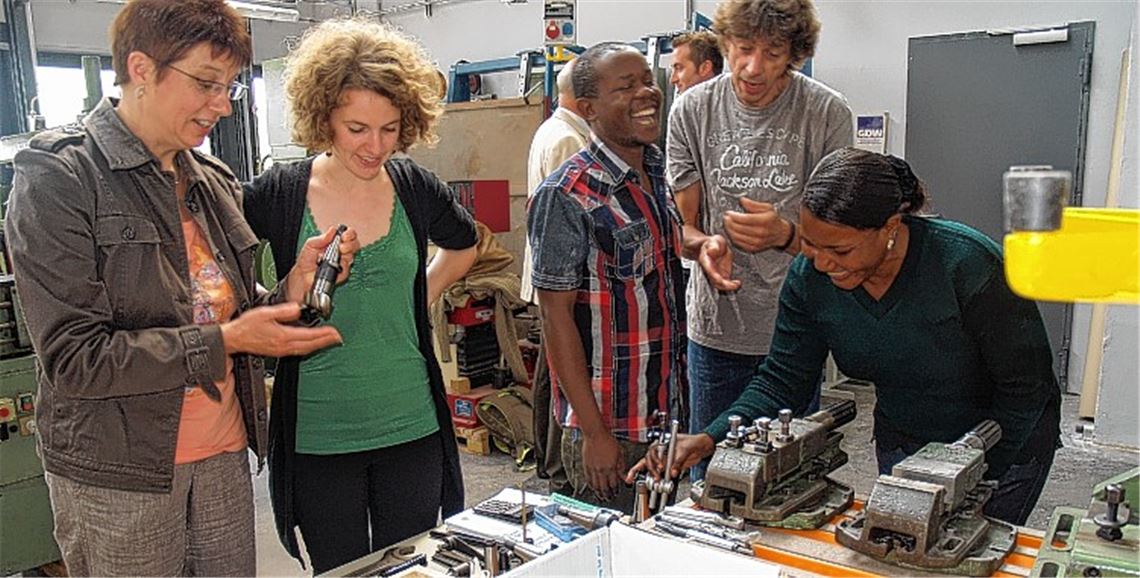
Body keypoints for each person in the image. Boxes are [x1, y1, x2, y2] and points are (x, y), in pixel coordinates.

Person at [3, 1, 358, 575]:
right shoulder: (60, 178)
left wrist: (292, 287)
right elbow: (75, 358)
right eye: (206, 83)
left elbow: (231, 315)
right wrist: (229, 340)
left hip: (220, 456)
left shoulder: (210, 180)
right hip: (122, 473)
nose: (221, 104)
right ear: (141, 69)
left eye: (230, 88)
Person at [630, 148, 1062, 526]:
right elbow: (782, 379)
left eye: (839, 250)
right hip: (905, 439)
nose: (821, 263)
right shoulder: (809, 279)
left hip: (1008, 445)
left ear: (891, 227)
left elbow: (1026, 389)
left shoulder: (968, 266)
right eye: (812, 245)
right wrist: (708, 438)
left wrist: (978, 478)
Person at [242, 18, 478, 573]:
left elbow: (464, 245)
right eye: (357, 129)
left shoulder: (414, 187)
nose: (375, 147)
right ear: (324, 115)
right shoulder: (278, 192)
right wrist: (277, 300)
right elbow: (213, 274)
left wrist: (420, 295)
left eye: (390, 129)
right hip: (320, 436)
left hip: (412, 425)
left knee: (417, 566)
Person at [668, 0, 854, 480]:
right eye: (743, 48)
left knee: (786, 474)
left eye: (772, 53)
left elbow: (843, 241)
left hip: (793, 332)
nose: (753, 67)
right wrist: (704, 246)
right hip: (714, 331)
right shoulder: (691, 110)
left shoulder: (826, 114)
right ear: (725, 41)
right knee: (710, 478)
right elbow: (680, 226)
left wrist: (786, 235)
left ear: (795, 53)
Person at [528, 42, 686, 512]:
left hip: (664, 419)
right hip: (610, 429)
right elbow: (556, 321)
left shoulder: (656, 174)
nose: (646, 93)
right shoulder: (568, 194)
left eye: (648, 81)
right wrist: (595, 434)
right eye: (626, 87)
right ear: (589, 108)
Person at [521, 58, 590, 495]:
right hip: (562, 278)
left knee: (551, 373)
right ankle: (557, 465)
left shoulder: (552, 129)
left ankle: (548, 461)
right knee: (562, 372)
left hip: (549, 275)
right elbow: (574, 210)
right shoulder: (567, 139)